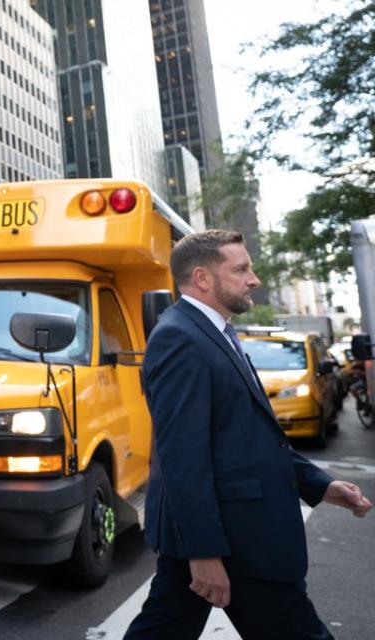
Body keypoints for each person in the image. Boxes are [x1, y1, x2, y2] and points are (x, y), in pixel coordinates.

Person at [124, 230, 372, 640]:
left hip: (230, 533)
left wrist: (321, 484)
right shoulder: (179, 338)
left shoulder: (216, 332)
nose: (253, 279)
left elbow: (249, 436)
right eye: (241, 269)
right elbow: (182, 457)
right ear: (203, 278)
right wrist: (204, 553)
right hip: (235, 540)